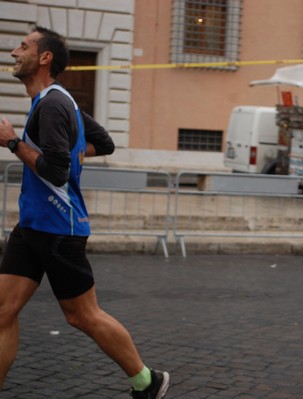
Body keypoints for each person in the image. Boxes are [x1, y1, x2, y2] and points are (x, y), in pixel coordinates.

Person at [0, 26, 170, 399]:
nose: (14, 52)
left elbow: (56, 172)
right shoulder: (59, 101)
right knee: (3, 312)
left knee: (81, 315)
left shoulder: (53, 105)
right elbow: (104, 143)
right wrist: (76, 152)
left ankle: (147, 380)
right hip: (31, 226)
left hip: (61, 228)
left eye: (23, 46)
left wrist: (12, 141)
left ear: (45, 58)